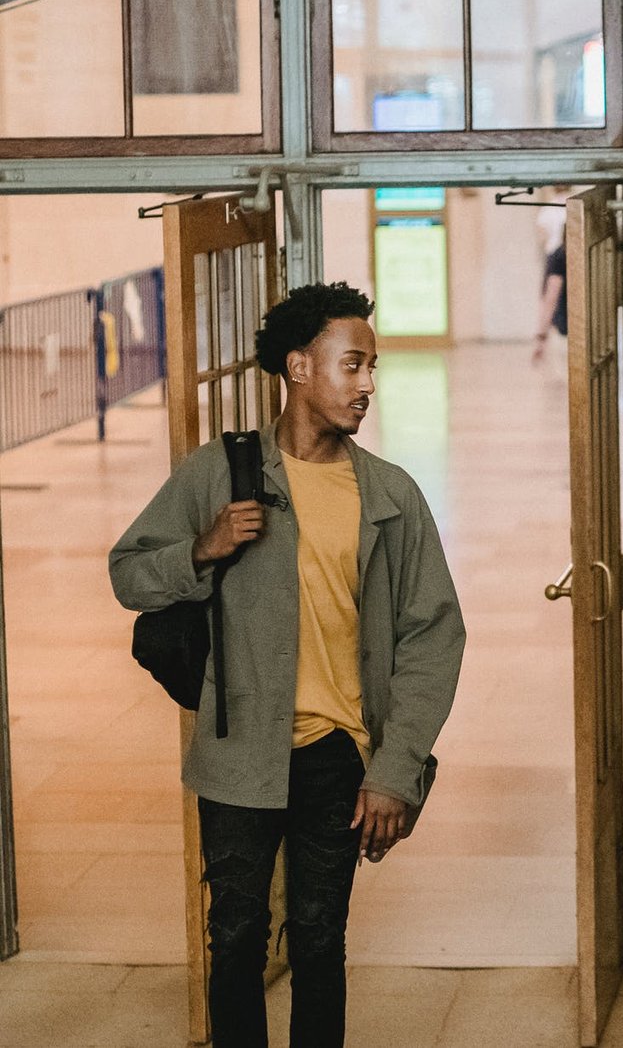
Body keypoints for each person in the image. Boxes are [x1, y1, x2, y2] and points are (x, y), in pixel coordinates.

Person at [109, 282, 467, 1048]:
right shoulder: (220, 472)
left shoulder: (390, 496)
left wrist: (395, 769)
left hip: (339, 758)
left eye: (372, 367)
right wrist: (199, 550)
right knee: (235, 938)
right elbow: (128, 574)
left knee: (317, 942)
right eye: (352, 365)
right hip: (240, 756)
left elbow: (433, 637)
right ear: (299, 367)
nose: (367, 384)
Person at [533, 238, 567, 360]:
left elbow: (551, 297)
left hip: (564, 330)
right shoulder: (564, 256)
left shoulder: (558, 256)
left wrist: (542, 336)